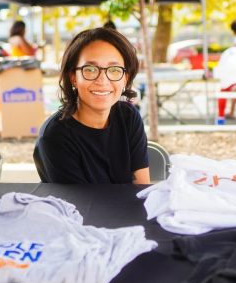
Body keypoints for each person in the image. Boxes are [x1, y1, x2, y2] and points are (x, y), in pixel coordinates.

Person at [33, 27, 150, 184]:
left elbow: (141, 189)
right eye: (90, 69)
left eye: (114, 70)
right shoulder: (54, 136)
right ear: (73, 77)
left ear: (125, 78)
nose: (102, 80)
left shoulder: (129, 116)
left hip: (128, 208)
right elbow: (77, 205)